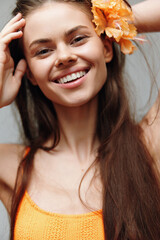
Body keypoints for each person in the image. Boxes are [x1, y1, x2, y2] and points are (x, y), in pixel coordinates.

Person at [0, 0, 160, 239]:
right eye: (43, 51)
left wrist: (115, 20)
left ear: (106, 48)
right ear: (30, 74)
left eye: (78, 39)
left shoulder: (150, 146)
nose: (64, 57)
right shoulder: (10, 166)